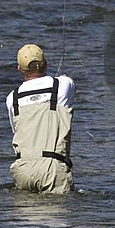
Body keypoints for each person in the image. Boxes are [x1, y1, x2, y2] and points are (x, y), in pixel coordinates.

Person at [6, 43, 75, 194]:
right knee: (57, 214)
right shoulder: (63, 85)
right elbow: (69, 83)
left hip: (22, 168)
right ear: (45, 64)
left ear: (20, 69)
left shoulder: (12, 98)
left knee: (26, 215)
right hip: (51, 168)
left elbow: (16, 131)